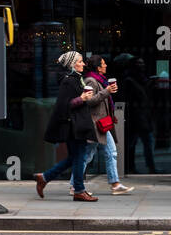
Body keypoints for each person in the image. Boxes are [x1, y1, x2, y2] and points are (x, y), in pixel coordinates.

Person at [35, 51, 106, 201]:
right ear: (72, 65)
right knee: (79, 156)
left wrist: (84, 98)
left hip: (78, 124)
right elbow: (63, 105)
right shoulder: (69, 81)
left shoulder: (76, 79)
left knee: (75, 157)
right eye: (80, 62)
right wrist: (82, 98)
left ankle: (45, 177)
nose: (83, 64)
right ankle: (79, 190)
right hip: (73, 126)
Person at [81, 55, 134, 194]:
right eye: (103, 64)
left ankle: (115, 184)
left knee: (110, 152)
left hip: (102, 124)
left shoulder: (100, 80)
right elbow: (90, 101)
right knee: (88, 155)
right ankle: (75, 185)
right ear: (98, 67)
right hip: (95, 125)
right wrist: (107, 91)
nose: (105, 66)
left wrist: (108, 91)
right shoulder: (91, 81)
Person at [121, 55, 158, 175]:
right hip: (135, 116)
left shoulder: (143, 78)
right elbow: (135, 97)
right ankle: (130, 167)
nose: (142, 66)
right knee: (135, 143)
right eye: (139, 63)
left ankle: (145, 166)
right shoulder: (130, 80)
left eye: (142, 63)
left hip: (143, 115)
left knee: (143, 142)